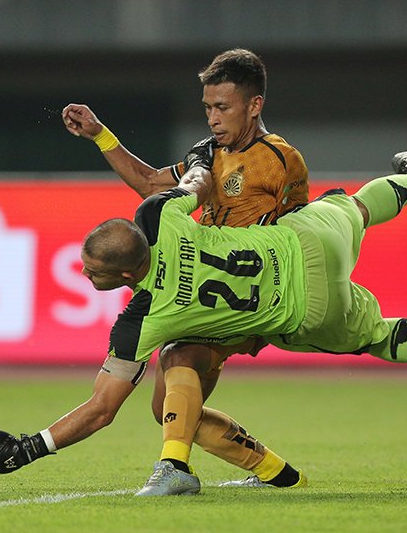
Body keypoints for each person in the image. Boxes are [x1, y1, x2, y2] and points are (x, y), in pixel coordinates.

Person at [0, 151, 407, 495]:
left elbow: (102, 409)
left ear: (121, 273)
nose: (85, 277)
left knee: (384, 337)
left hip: (307, 315)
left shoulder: (140, 318)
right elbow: (192, 184)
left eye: (90, 271)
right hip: (304, 244)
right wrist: (200, 163)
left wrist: (28, 449)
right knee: (352, 205)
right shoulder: (163, 214)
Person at [61, 48, 312, 488]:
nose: (213, 118)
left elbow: (299, 229)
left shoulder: (279, 159)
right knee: (170, 409)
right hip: (209, 285)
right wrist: (102, 136)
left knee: (179, 357)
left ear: (254, 106)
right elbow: (150, 183)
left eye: (222, 107)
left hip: (248, 290)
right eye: (207, 108)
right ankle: (278, 474)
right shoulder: (210, 153)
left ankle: (174, 470)